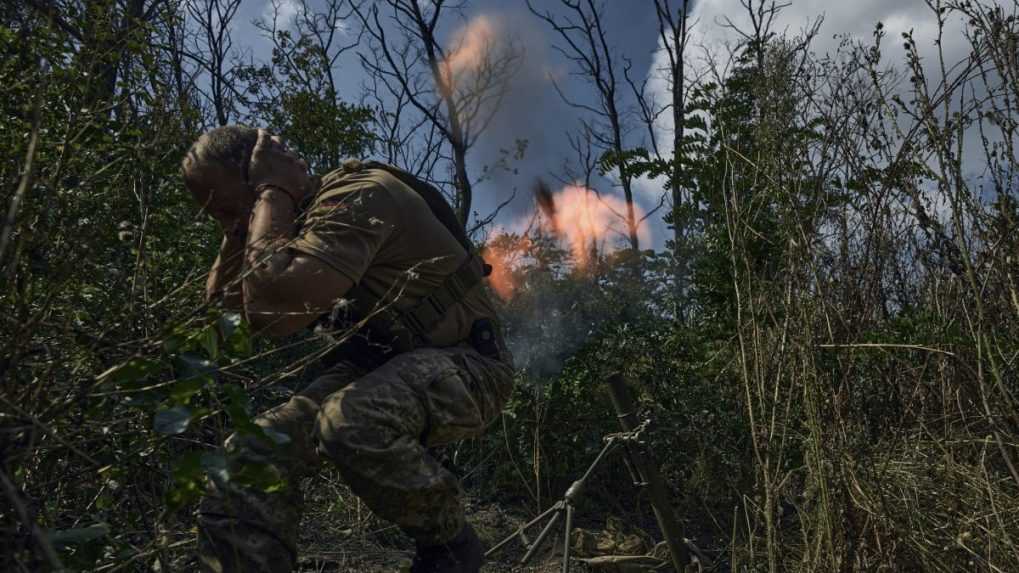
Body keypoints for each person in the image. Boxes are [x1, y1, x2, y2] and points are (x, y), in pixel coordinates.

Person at [181, 125, 514, 573]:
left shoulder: (359, 196)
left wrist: (273, 191)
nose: (227, 224)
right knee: (248, 453)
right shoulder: (282, 221)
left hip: (471, 368)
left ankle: (450, 548)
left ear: (260, 176)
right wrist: (239, 229)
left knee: (350, 421)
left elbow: (278, 305)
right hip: (377, 370)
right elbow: (224, 325)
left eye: (227, 208)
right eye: (215, 217)